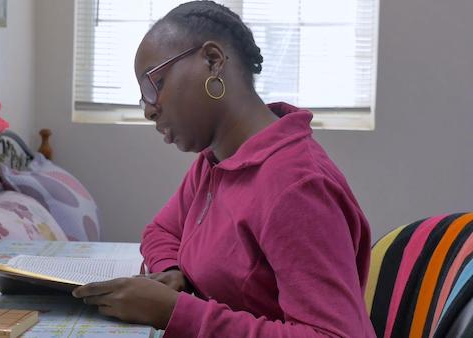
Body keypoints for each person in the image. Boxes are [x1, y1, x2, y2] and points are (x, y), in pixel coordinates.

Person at [73, 1, 376, 337]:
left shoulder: (297, 186)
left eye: (154, 85)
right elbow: (161, 231)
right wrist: (172, 271)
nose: (149, 109)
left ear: (213, 61)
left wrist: (175, 311)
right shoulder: (216, 161)